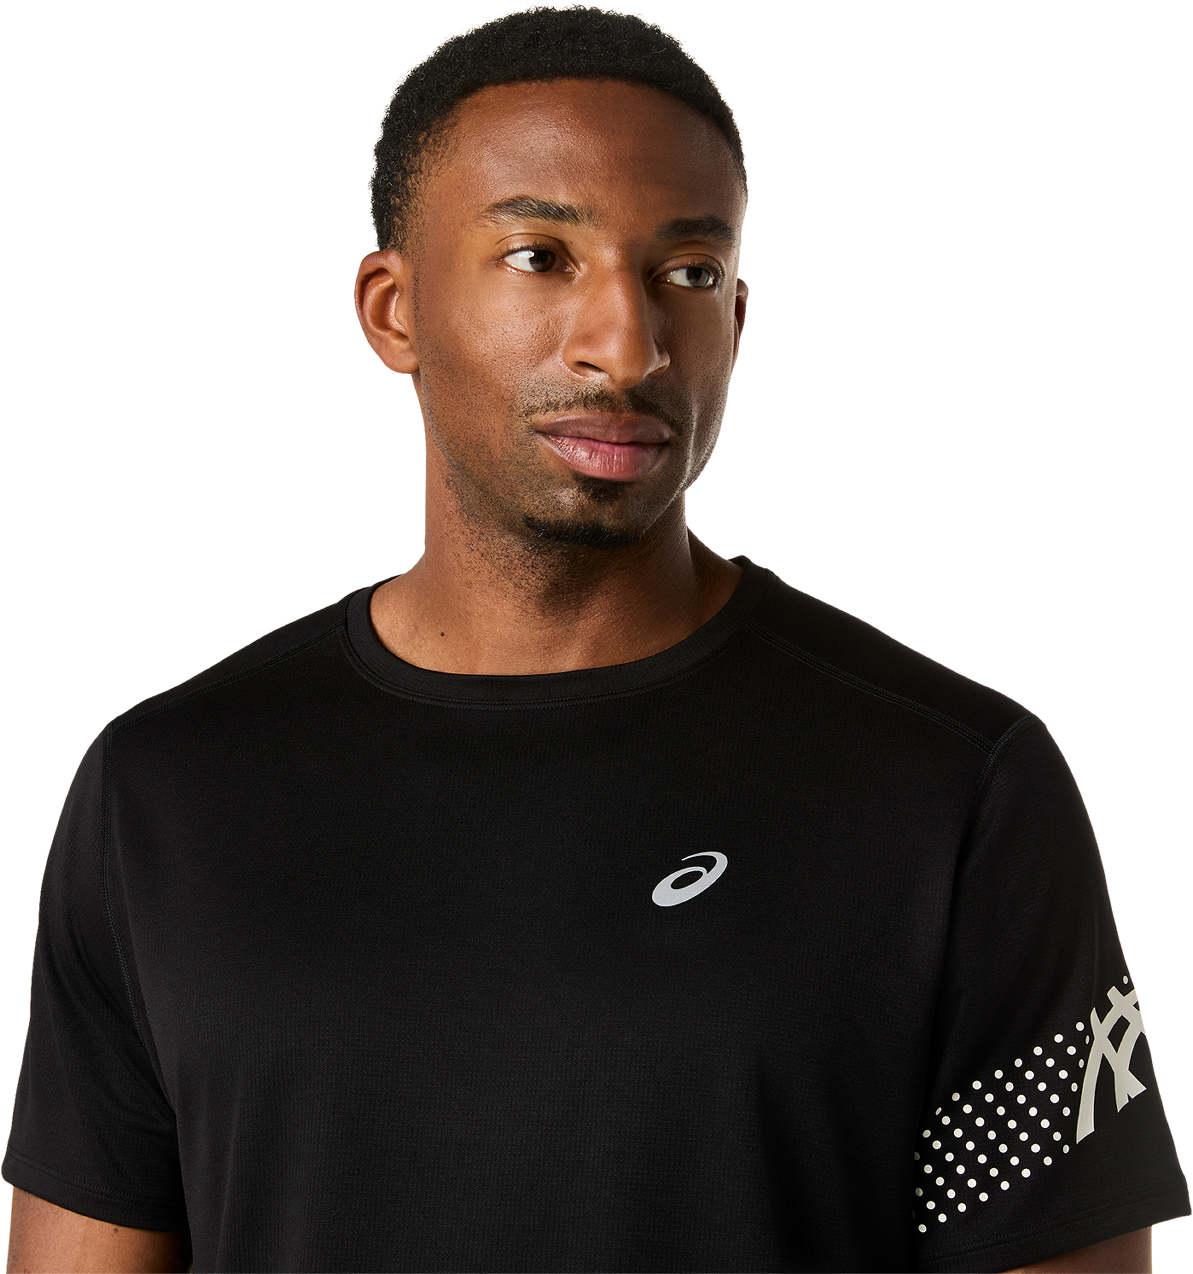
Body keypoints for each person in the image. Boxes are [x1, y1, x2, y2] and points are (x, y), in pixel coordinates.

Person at [2, 6, 1188, 1271]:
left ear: (737, 320)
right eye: (538, 257)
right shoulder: (164, 793)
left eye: (688, 273)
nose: (625, 345)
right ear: (393, 310)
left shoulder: (956, 789)